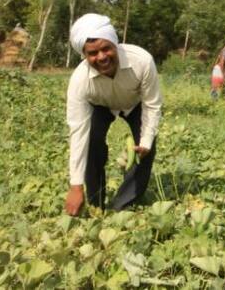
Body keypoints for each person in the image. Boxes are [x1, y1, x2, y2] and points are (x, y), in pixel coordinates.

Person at [64, 13, 162, 216]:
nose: (101, 57)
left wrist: (145, 141)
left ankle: (121, 206)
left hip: (134, 104)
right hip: (100, 105)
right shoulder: (80, 81)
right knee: (90, 143)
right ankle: (95, 203)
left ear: (115, 44)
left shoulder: (142, 61)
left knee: (147, 149)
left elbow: (152, 105)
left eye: (106, 48)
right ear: (84, 55)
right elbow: (78, 132)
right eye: (92, 53)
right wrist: (75, 186)